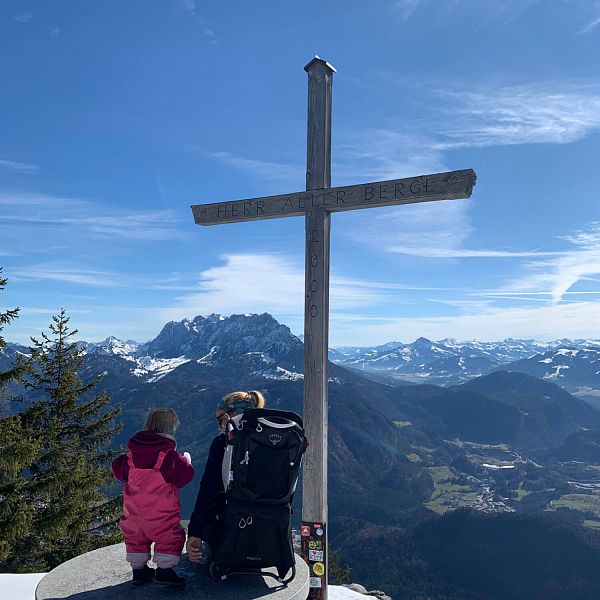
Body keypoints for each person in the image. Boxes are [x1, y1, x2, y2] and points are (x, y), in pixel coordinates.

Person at [112, 408, 194, 586]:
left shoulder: (130, 456)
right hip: (161, 516)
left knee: (136, 539)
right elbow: (184, 477)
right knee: (171, 537)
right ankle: (164, 571)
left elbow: (118, 470)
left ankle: (139, 571)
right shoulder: (169, 457)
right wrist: (186, 461)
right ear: (170, 428)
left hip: (132, 515)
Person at [186, 390, 265, 563]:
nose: (220, 426)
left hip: (229, 529)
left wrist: (195, 532)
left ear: (235, 415)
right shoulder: (271, 441)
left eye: (221, 419)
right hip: (268, 533)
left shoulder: (223, 443)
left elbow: (208, 489)